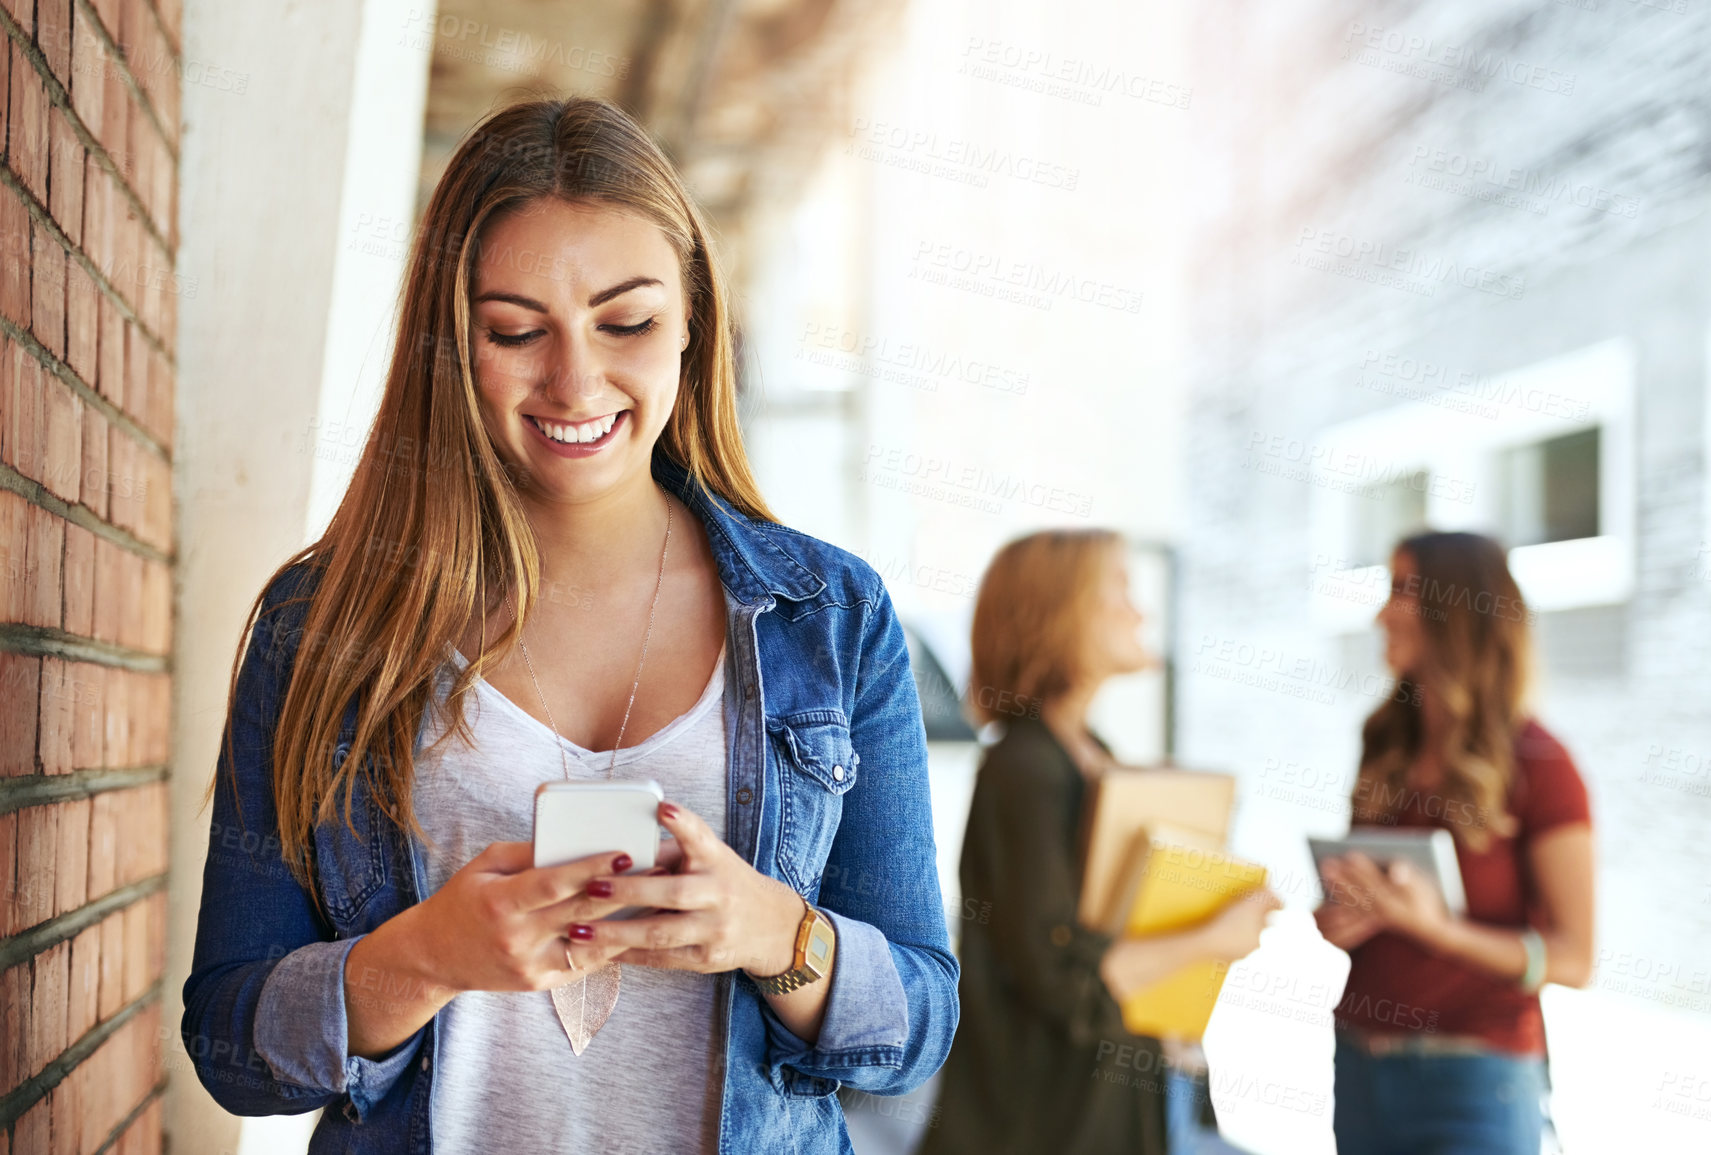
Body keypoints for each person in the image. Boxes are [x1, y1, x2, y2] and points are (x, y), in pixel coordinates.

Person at [182, 96, 958, 1154]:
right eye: (514, 331)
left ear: (692, 321)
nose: (576, 381)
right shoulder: (323, 622)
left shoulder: (834, 618)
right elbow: (229, 1045)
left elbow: (918, 1025)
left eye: (625, 323)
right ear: (452, 345)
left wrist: (776, 933)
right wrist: (424, 956)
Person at [921, 530, 1279, 1155]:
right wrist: (1213, 939)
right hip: (1044, 1121)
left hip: (1120, 1100)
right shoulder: (1025, 770)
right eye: (1119, 589)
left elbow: (1109, 945)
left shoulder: (1096, 758)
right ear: (1059, 614)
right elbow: (1063, 979)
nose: (1139, 611)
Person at [1315, 531, 1595, 1155]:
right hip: (1360, 1065)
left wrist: (1438, 928)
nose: (1380, 614)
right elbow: (1358, 912)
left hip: (1475, 1080)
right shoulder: (1385, 741)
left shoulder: (1542, 765)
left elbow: (1576, 960)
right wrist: (1344, 915)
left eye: (1401, 591)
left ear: (1458, 608)